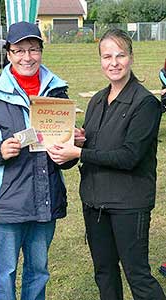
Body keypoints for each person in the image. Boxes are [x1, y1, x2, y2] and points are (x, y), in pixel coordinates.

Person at [47, 29, 166, 300]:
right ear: (100, 60)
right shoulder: (97, 100)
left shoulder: (145, 103)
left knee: (138, 276)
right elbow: (92, 147)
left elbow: (129, 156)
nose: (114, 62)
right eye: (107, 56)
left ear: (131, 58)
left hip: (128, 203)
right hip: (94, 203)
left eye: (120, 55)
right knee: (104, 272)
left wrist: (79, 152)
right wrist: (79, 141)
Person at [0, 21, 69, 300]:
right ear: (8, 53)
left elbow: (64, 157)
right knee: (5, 272)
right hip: (7, 203)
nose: (27, 57)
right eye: (19, 50)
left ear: (41, 51)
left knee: (39, 271)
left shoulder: (56, 91)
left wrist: (71, 146)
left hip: (45, 199)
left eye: (33, 49)